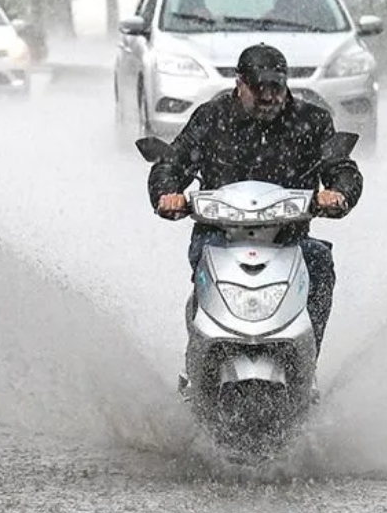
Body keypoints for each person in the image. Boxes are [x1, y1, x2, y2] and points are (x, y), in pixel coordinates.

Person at [147, 44, 364, 375]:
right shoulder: (210, 118)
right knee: (206, 257)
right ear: (239, 83)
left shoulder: (312, 121)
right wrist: (168, 194)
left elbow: (341, 167)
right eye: (258, 88)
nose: (268, 97)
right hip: (217, 236)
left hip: (289, 241)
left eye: (275, 88)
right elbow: (171, 164)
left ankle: (307, 366)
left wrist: (338, 192)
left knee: (319, 262)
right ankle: (198, 368)